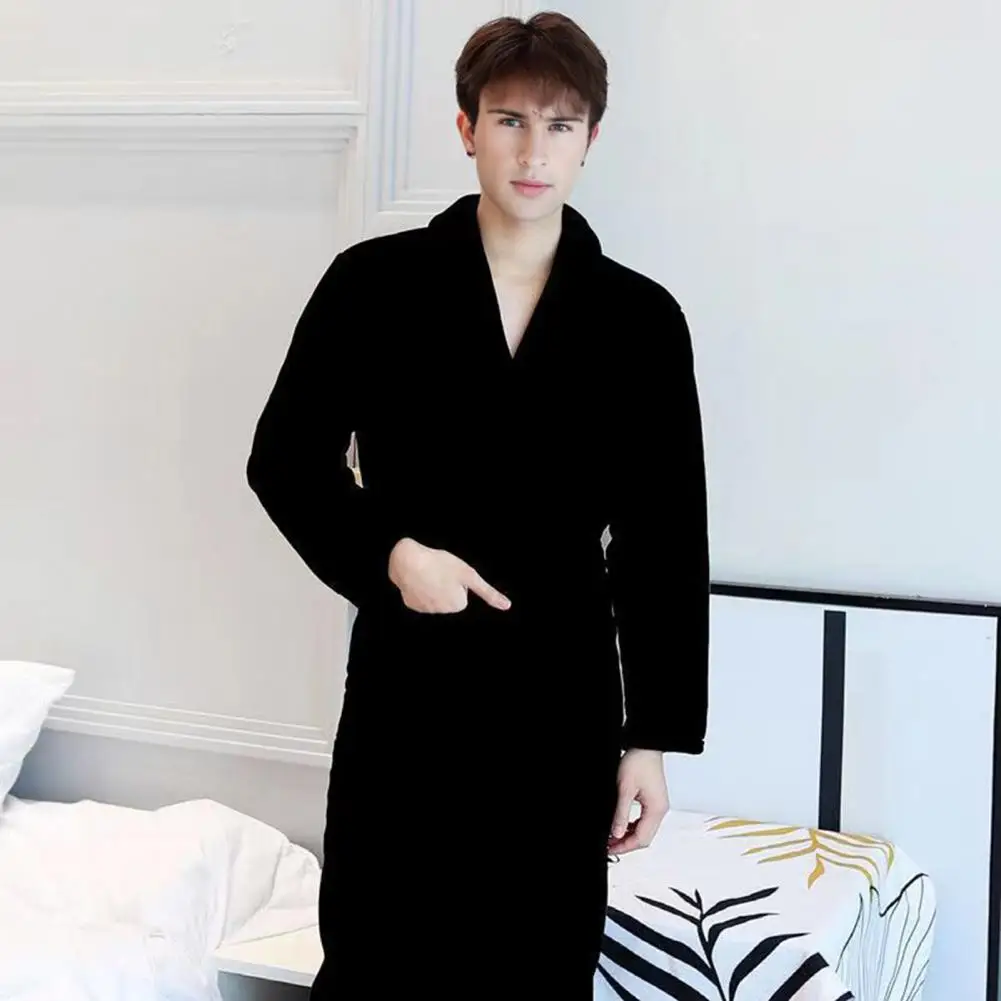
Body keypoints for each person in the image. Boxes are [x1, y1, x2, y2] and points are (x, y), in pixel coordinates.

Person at [246, 10, 709, 998]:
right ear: (466, 128)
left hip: (561, 697)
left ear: (590, 138)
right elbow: (283, 460)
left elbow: (661, 539)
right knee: (378, 953)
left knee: (536, 962)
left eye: (559, 125)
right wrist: (390, 553)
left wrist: (650, 739)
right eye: (508, 121)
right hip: (410, 683)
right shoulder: (370, 286)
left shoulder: (639, 321)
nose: (533, 152)